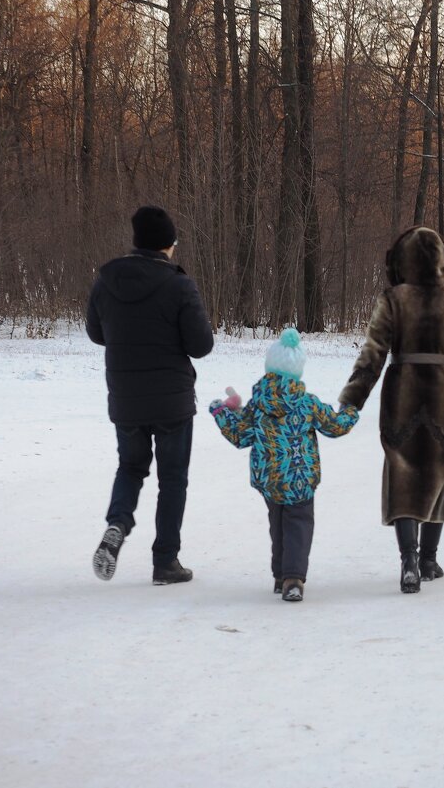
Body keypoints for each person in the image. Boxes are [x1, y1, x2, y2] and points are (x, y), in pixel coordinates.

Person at [339, 226, 444, 594]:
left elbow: (372, 354)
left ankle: (408, 560)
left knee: (402, 472)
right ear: (441, 260)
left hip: (401, 392)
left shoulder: (393, 299)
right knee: (439, 472)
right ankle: (429, 559)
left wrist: (352, 399)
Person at [88, 205, 214, 584]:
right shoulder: (178, 284)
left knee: (130, 467)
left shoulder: (107, 280)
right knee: (172, 479)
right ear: (168, 246)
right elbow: (201, 345)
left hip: (125, 398)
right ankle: (165, 562)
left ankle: (118, 524)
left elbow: (97, 333)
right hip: (172, 400)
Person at [208, 329, 359, 602]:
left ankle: (280, 575)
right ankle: (293, 578)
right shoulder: (306, 404)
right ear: (297, 372)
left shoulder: (258, 405)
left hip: (270, 480)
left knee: (277, 524)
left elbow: (240, 435)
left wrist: (222, 412)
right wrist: (350, 409)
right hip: (301, 478)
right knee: (298, 524)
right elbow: (335, 426)